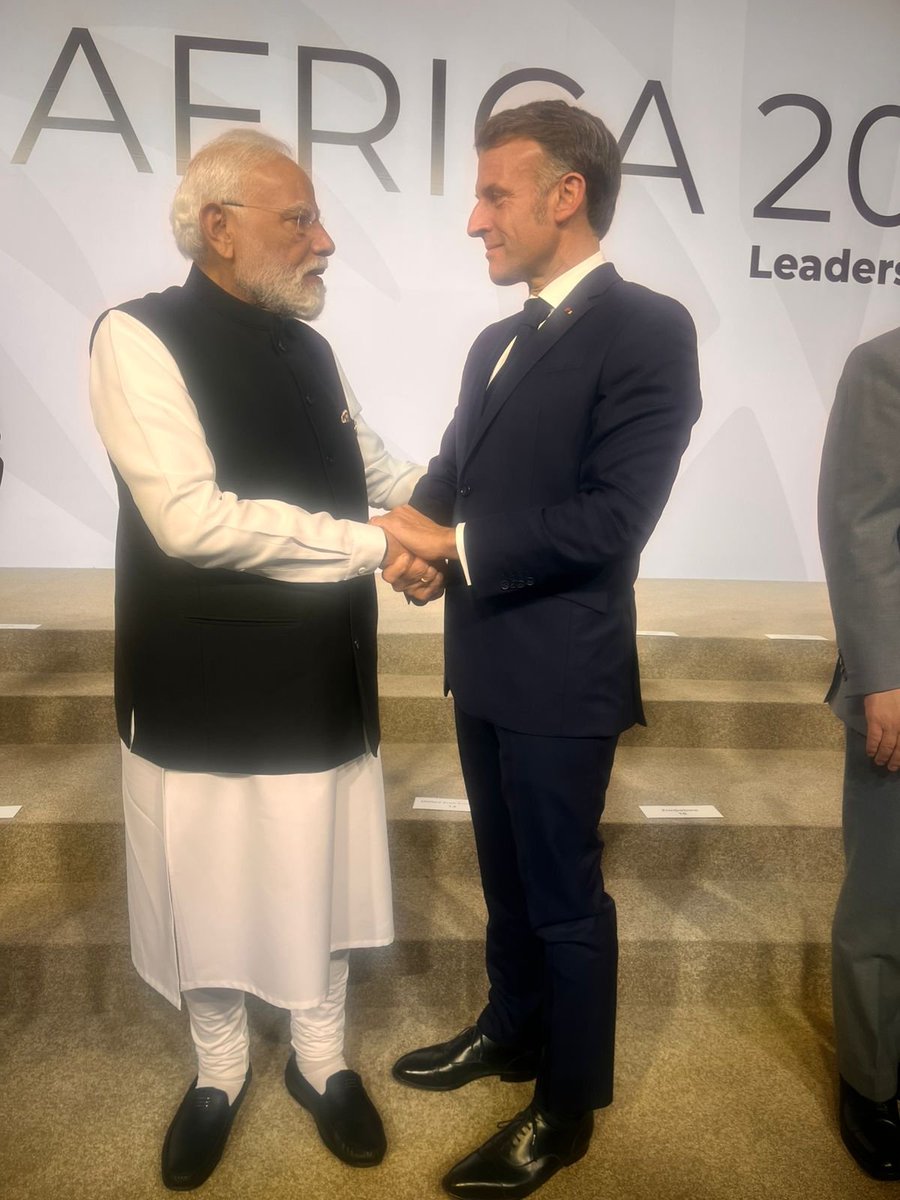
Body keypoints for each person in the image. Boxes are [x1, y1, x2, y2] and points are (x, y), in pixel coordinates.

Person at [89, 128, 439, 1190]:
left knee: (316, 874)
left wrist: (459, 517)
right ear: (218, 229)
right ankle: (219, 1070)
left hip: (320, 677)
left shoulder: (310, 347)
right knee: (207, 888)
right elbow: (191, 523)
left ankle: (324, 1065)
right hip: (199, 685)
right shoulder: (135, 338)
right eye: (299, 220)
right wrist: (380, 545)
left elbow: (376, 463)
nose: (324, 240)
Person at [374, 100, 702, 1198]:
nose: (475, 220)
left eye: (494, 194)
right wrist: (416, 541)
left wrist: (451, 546)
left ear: (568, 196)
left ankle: (564, 1109)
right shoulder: (495, 339)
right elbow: (449, 472)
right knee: (507, 884)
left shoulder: (649, 328)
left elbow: (615, 518)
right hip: (485, 660)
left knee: (563, 896)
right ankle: (510, 1033)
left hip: (564, 670)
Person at [818, 325, 900, 1181]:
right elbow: (861, 524)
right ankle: (871, 1085)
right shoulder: (885, 364)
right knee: (885, 901)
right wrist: (883, 675)